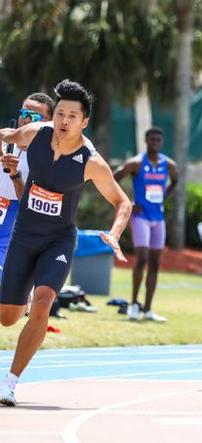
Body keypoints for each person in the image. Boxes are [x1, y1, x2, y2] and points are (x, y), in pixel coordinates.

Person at [0, 79, 132, 407]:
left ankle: (10, 382)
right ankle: (24, 298)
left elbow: (123, 203)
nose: (64, 120)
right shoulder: (37, 134)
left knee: (45, 301)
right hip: (24, 236)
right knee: (6, 317)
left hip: (58, 240)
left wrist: (114, 234)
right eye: (60, 113)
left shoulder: (91, 161)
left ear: (84, 121)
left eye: (73, 116)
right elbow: (10, 136)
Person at [114, 127, 177, 322]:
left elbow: (175, 181)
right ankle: (134, 305)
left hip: (158, 219)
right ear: (146, 141)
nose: (155, 143)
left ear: (162, 142)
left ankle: (148, 309)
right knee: (141, 258)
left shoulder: (169, 165)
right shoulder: (136, 163)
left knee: (156, 263)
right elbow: (113, 179)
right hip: (140, 217)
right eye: (152, 140)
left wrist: (163, 198)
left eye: (158, 140)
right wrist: (127, 202)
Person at [0, 93, 55, 280]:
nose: (26, 120)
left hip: (18, 215)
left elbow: (28, 202)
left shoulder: (47, 156)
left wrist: (15, 174)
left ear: (48, 123)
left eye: (34, 117)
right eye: (24, 113)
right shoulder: (5, 138)